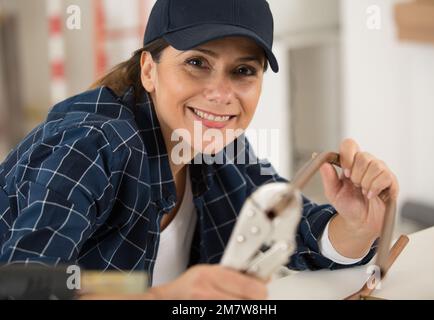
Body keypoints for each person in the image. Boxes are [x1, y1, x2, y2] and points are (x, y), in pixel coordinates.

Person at [0, 0, 398, 300]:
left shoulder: (220, 148)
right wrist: (160, 296)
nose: (221, 95)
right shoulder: (92, 146)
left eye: (243, 71)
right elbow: (20, 285)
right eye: (196, 63)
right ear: (149, 70)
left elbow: (289, 232)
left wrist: (357, 225)